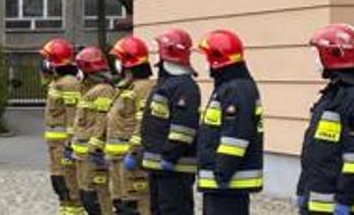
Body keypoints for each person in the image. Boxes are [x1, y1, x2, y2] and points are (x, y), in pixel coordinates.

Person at [297, 24, 354, 215]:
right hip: (319, 204)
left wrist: (344, 201)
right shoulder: (332, 96)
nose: (315, 61)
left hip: (345, 207)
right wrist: (303, 189)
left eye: (317, 54)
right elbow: (316, 151)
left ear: (334, 54)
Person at [194, 29, 262, 215]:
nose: (207, 63)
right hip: (223, 183)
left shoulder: (235, 89)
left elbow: (235, 137)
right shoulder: (230, 87)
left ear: (218, 58)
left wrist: (221, 173)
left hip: (228, 184)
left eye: (208, 57)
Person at [139, 29, 200, 215]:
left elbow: (183, 129)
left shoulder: (183, 86)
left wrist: (168, 157)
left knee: (174, 210)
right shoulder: (167, 84)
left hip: (175, 168)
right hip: (160, 167)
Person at [105, 36, 155, 215]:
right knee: (121, 205)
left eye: (119, 59)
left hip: (131, 161)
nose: (117, 64)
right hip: (117, 159)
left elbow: (144, 123)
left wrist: (134, 152)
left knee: (137, 206)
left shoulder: (143, 88)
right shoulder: (126, 88)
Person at [71, 46, 117, 215]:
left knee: (97, 196)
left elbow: (102, 120)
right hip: (83, 155)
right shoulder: (89, 89)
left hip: (92, 155)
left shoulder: (104, 90)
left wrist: (95, 148)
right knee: (87, 195)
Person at [42, 38, 84, 215]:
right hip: (54, 144)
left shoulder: (69, 84)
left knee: (70, 186)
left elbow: (73, 116)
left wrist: (70, 145)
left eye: (47, 59)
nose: (44, 63)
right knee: (59, 184)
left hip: (63, 145)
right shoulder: (57, 82)